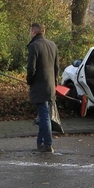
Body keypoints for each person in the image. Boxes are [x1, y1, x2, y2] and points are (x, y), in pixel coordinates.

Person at [26, 22, 59, 153]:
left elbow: (31, 68)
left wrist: (29, 81)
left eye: (30, 31)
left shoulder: (34, 46)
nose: (30, 33)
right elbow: (56, 68)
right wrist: (55, 83)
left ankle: (48, 144)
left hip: (39, 85)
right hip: (50, 85)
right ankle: (40, 142)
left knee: (44, 115)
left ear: (34, 32)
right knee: (43, 114)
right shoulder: (52, 45)